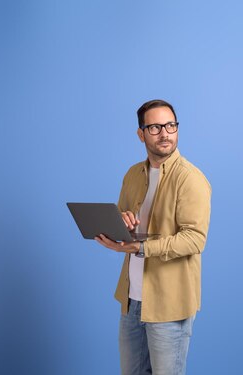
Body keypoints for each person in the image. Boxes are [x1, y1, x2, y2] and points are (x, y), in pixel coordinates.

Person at [95, 99, 211, 375]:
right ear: (141, 133)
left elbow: (195, 239)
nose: (165, 133)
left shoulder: (190, 179)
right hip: (132, 300)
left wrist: (141, 246)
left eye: (171, 125)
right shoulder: (133, 175)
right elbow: (125, 219)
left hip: (169, 304)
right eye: (156, 126)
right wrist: (121, 224)